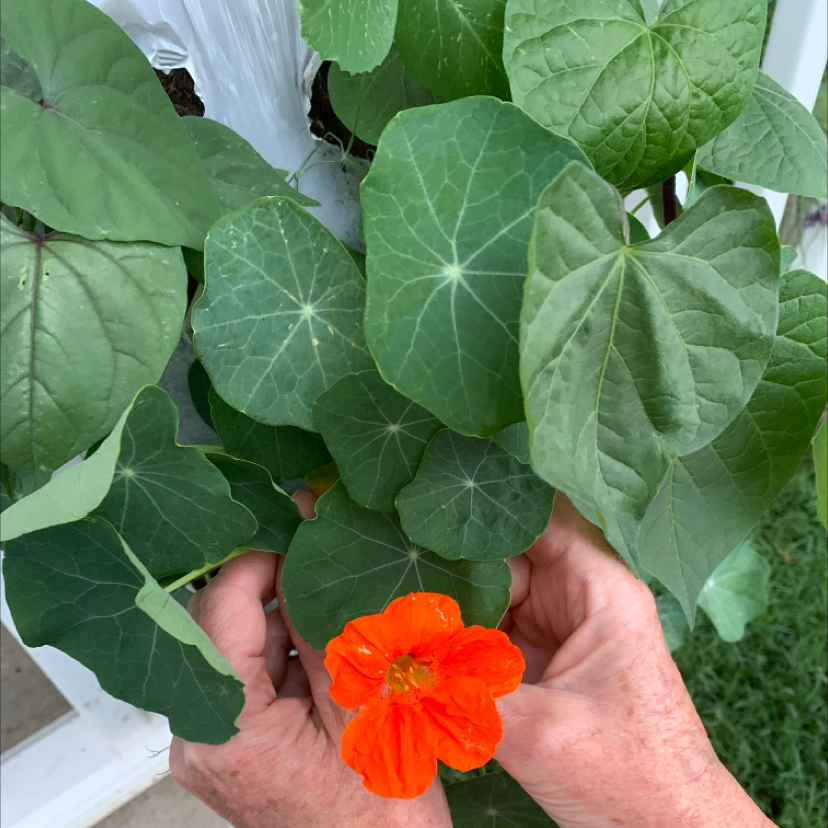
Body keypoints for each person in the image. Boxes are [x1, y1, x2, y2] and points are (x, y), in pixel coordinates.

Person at [170, 492, 776, 827]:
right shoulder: (431, 660)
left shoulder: (421, 683)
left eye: (412, 678)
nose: (410, 681)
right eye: (411, 677)